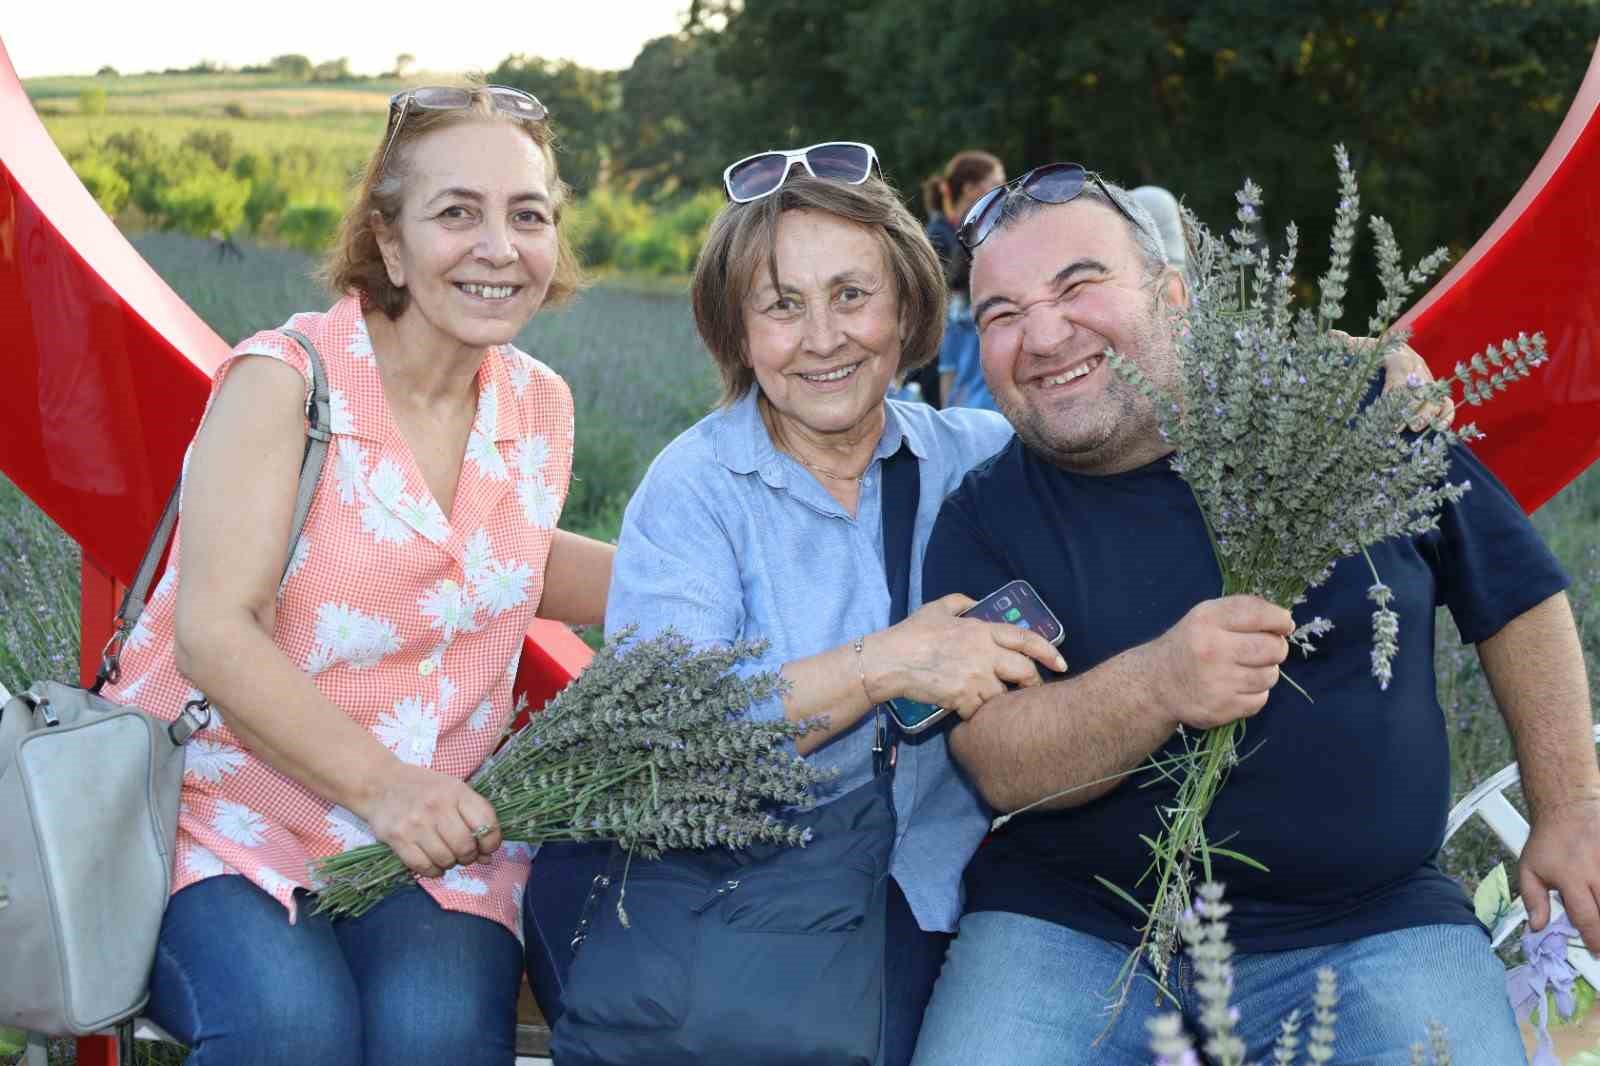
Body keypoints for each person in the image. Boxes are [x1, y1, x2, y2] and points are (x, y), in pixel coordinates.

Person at [522, 144, 1445, 1062]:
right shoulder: (694, 490)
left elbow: (1118, 383)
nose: (823, 338)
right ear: (737, 331)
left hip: (913, 903)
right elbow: (661, 752)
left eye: (852, 296)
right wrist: (884, 664)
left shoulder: (977, 452)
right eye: (781, 307)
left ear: (909, 307)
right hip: (735, 902)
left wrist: (1341, 362)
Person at [907, 165, 1600, 1065]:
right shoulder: (984, 518)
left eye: (1080, 285)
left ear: (1174, 294)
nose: (1043, 334)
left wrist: (1572, 804)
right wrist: (1160, 683)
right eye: (1001, 313)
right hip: (1072, 932)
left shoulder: (1350, 411)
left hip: (1369, 927)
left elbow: (1516, 595)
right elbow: (998, 763)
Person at [103, 83, 614, 1066]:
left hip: (434, 846)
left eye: (529, 215)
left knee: (436, 1040)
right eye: (456, 212)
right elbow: (216, 632)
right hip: (230, 817)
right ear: (388, 242)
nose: (499, 247)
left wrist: (697, 580)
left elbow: (495, 558)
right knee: (293, 1033)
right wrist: (386, 790)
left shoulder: (539, 403)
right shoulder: (286, 384)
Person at [923, 150, 1005, 411]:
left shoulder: (967, 229)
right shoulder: (939, 237)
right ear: (970, 188)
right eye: (995, 184)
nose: (1003, 192)